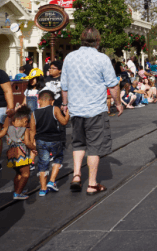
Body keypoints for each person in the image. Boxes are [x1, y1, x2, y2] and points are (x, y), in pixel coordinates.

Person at [61, 27, 123, 194]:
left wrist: (65, 104)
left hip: (76, 109)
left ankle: (76, 176)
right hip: (95, 109)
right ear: (98, 41)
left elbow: (64, 85)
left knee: (78, 144)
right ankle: (92, 184)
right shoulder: (101, 58)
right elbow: (113, 85)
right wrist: (118, 103)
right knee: (94, 147)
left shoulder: (70, 58)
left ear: (81, 40)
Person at [29, 89, 70, 196]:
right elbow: (64, 122)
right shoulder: (54, 109)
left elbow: (32, 131)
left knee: (43, 163)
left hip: (41, 141)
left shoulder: (34, 113)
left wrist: (32, 145)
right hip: (55, 140)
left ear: (39, 101)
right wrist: (68, 113)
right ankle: (51, 181)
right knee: (58, 158)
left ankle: (43, 189)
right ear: (52, 101)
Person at [0, 106, 35, 200]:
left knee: (18, 174)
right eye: (27, 122)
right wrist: (34, 149)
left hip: (11, 155)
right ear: (25, 121)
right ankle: (18, 193)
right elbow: (28, 143)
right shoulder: (25, 130)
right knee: (26, 174)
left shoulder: (7, 128)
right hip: (21, 155)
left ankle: (17, 189)